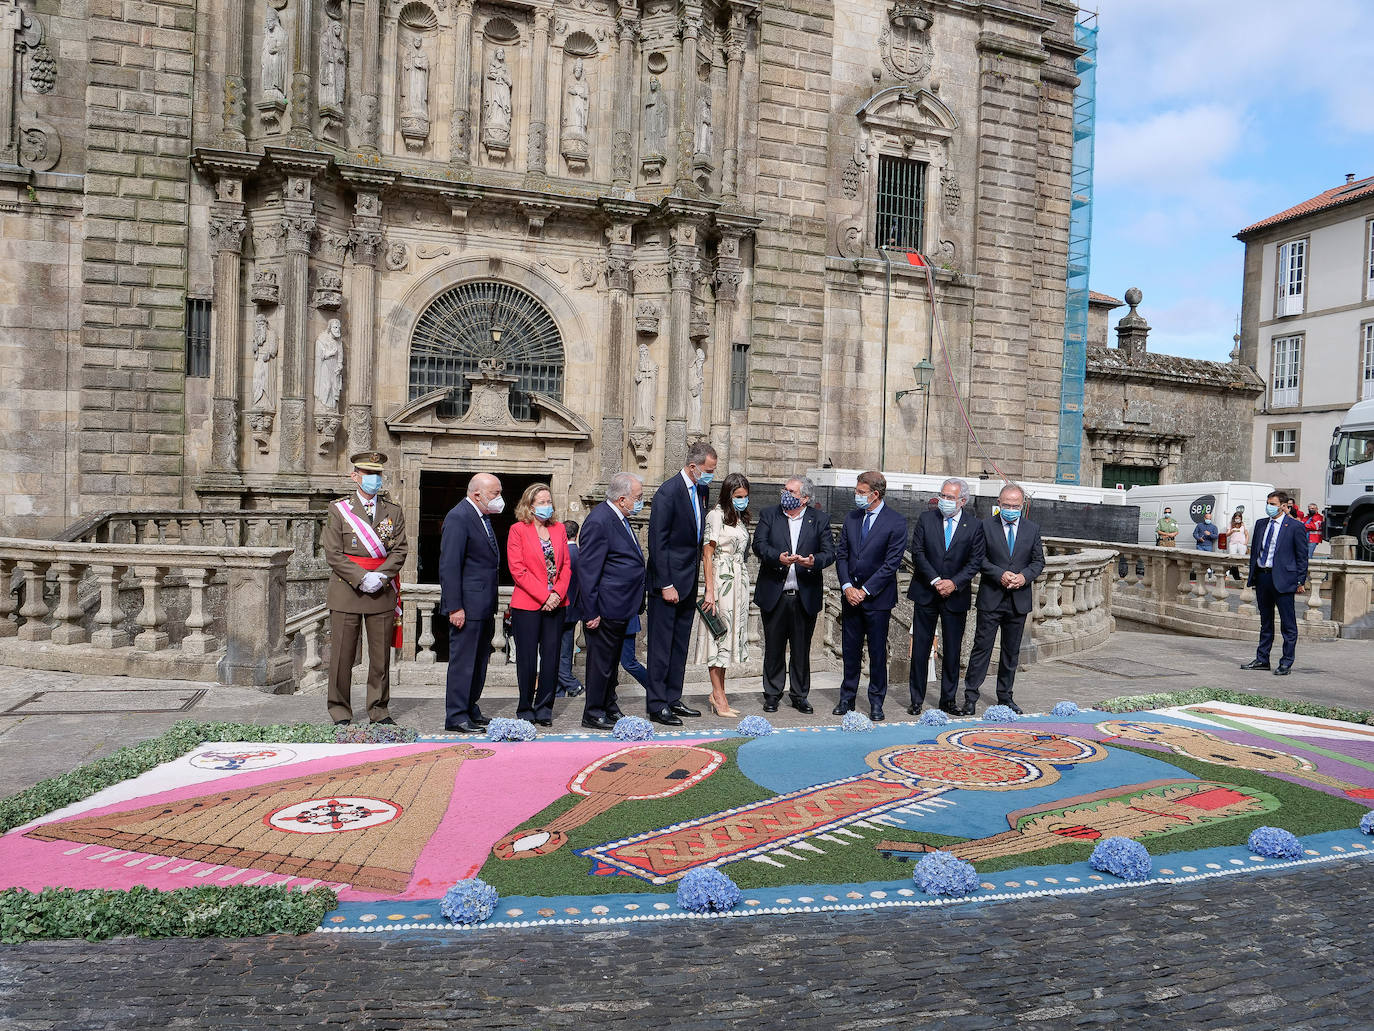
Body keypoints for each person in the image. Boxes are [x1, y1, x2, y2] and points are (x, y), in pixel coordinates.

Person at [321, 451, 408, 726]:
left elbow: (400, 549)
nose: (374, 479)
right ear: (354, 476)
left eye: (378, 474)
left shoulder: (393, 511)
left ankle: (379, 711)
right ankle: (340, 712)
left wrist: (380, 577)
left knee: (381, 658)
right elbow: (333, 553)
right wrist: (361, 578)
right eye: (368, 474)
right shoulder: (339, 509)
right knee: (342, 658)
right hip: (347, 591)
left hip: (381, 591)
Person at [646, 441, 716, 726]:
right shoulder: (668, 492)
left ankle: (673, 698)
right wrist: (665, 583)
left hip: (688, 580)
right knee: (661, 647)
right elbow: (657, 542)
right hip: (669, 583)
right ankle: (657, 703)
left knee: (679, 646)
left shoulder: (702, 489)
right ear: (692, 466)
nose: (711, 474)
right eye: (708, 470)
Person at [752, 475, 834, 715]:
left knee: (801, 650)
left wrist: (813, 561)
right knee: (774, 648)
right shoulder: (770, 514)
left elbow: (829, 553)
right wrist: (777, 557)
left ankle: (799, 695)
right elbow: (759, 544)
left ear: (805, 498)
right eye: (784, 490)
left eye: (791, 491)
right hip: (774, 594)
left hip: (804, 596)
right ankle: (772, 694)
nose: (785, 494)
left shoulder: (819, 520)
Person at [961, 483, 1045, 716]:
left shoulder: (1032, 529)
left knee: (1011, 652)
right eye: (1006, 505)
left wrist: (1023, 577)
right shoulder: (985, 526)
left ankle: (1005, 696)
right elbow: (978, 559)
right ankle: (970, 696)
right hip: (991, 598)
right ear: (999, 504)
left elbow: (1038, 562)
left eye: (1015, 505)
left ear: (1022, 506)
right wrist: (999, 574)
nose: (1010, 509)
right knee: (982, 648)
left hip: (1018, 599)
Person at [907, 477, 986, 717]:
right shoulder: (926, 519)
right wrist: (935, 581)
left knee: (952, 650)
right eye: (942, 495)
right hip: (926, 591)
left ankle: (948, 700)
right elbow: (918, 552)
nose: (944, 501)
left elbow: (975, 561)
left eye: (949, 497)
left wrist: (954, 583)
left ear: (962, 501)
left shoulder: (974, 525)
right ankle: (916, 699)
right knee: (920, 648)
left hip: (956, 595)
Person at [834, 470, 908, 721]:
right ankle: (847, 698)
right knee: (850, 650)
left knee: (877, 652)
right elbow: (842, 554)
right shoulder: (852, 518)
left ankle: (876, 702)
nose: (856, 496)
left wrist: (865, 591)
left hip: (877, 600)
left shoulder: (896, 522)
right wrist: (846, 587)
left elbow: (891, 564)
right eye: (856, 491)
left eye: (861, 492)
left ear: (875, 494)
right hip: (850, 596)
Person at [575, 473, 647, 730]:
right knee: (600, 664)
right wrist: (591, 610)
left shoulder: (621, 518)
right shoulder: (599, 521)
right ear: (621, 498)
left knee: (611, 663)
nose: (640, 502)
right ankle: (593, 712)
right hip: (604, 607)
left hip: (621, 606)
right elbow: (588, 570)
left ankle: (608, 704)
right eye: (637, 498)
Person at [439, 473, 504, 733]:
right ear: (477, 494)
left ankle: (470, 707)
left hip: (483, 604)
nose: (499, 499)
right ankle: (456, 715)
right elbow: (450, 565)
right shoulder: (459, 517)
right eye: (495, 494)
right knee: (463, 662)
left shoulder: (482, 517)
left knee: (478, 662)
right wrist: (455, 606)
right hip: (467, 605)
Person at [506, 484, 572, 727]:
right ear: (530, 506)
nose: (547, 505)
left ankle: (545, 708)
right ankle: (525, 706)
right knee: (526, 659)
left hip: (557, 603)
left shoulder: (559, 529)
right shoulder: (517, 530)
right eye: (541, 502)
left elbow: (566, 567)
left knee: (552, 658)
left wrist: (556, 594)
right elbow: (517, 569)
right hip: (527, 605)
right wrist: (543, 596)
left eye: (548, 501)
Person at [693, 472, 752, 717]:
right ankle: (718, 696)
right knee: (719, 638)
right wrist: (709, 591)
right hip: (722, 579)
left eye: (746, 497)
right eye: (739, 496)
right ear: (729, 495)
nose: (743, 500)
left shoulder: (737, 519)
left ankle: (720, 692)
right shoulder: (715, 516)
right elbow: (708, 554)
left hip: (739, 580)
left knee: (728, 642)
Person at [1241, 491, 1309, 676]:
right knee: (1266, 622)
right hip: (1263, 577)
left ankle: (1286, 662)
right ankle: (1262, 659)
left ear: (1283, 505)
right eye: (1267, 502)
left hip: (1284, 579)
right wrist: (1253, 575)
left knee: (1288, 624)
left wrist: (1300, 580)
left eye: (1272, 503)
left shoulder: (1295, 526)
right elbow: (1255, 551)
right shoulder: (1261, 524)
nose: (1268, 506)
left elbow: (1302, 557)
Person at [556, 519, 584, 699]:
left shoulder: (562, 553)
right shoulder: (581, 554)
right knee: (565, 652)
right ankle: (559, 691)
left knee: (552, 652)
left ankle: (572, 684)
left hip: (560, 608)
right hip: (574, 610)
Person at [1226, 510, 1249, 581]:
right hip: (1233, 544)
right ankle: (1228, 574)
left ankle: (1242, 575)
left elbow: (1246, 534)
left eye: (1239, 518)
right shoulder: (1230, 524)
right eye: (1236, 518)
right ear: (1234, 518)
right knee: (1232, 559)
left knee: (1242, 560)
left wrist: (1246, 542)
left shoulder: (1243, 524)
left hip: (1241, 544)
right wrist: (1232, 531)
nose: (1237, 519)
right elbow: (1226, 535)